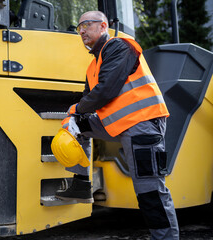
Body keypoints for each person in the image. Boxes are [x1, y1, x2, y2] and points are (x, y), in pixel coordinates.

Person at [55, 11, 179, 239]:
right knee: (74, 125)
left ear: (103, 26)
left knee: (149, 191)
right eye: (78, 27)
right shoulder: (93, 65)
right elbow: (89, 99)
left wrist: (75, 109)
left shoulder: (119, 47)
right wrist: (74, 117)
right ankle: (81, 182)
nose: (81, 30)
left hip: (143, 124)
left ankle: (166, 237)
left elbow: (106, 91)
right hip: (119, 123)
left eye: (86, 25)